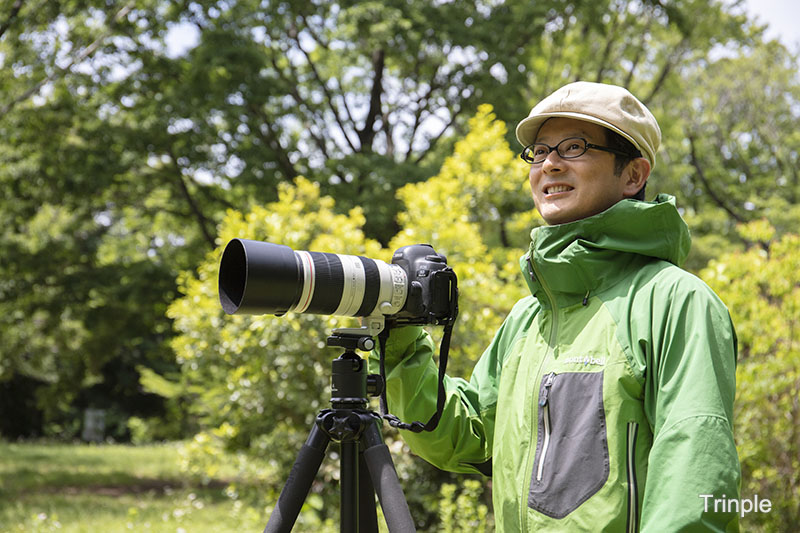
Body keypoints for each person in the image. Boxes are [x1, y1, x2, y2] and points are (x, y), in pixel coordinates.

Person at [371, 81, 741, 532]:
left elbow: (694, 474)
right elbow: (468, 438)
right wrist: (401, 339)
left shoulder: (676, 302)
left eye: (574, 147)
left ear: (633, 175)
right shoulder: (527, 319)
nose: (549, 163)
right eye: (540, 151)